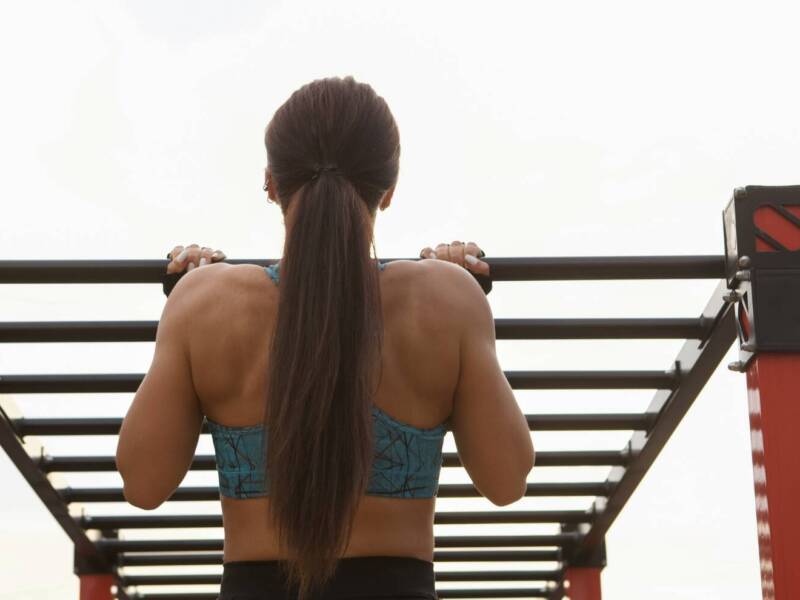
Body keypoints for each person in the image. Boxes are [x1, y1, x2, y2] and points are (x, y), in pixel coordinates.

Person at [116, 75, 535, 600]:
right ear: (388, 190)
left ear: (271, 183)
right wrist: (466, 295)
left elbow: (143, 483)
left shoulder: (205, 305)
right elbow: (507, 480)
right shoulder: (446, 300)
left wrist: (185, 298)